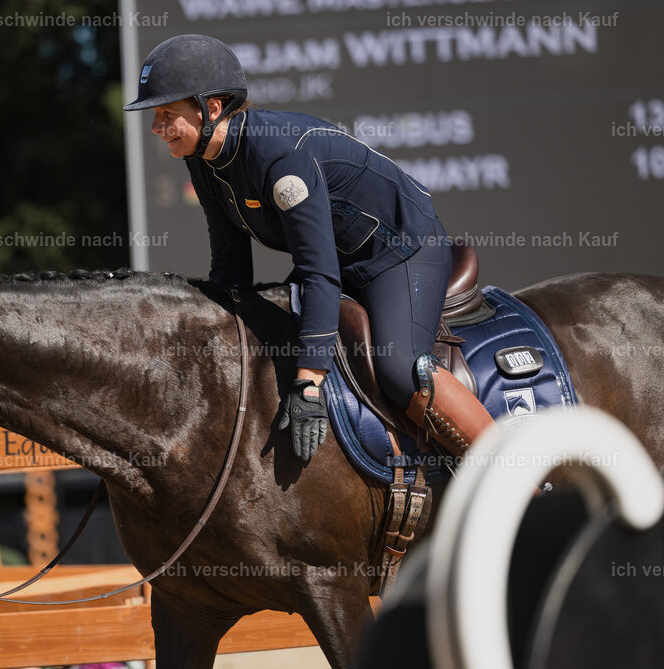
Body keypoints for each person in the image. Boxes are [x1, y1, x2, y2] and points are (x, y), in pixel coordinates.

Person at [123, 34, 494, 461]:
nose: (156, 128)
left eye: (167, 114)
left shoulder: (280, 160)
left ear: (213, 108)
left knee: (398, 368)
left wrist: (310, 382)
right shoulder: (205, 161)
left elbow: (319, 272)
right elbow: (230, 269)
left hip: (400, 250)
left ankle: (509, 466)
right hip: (339, 256)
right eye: (156, 115)